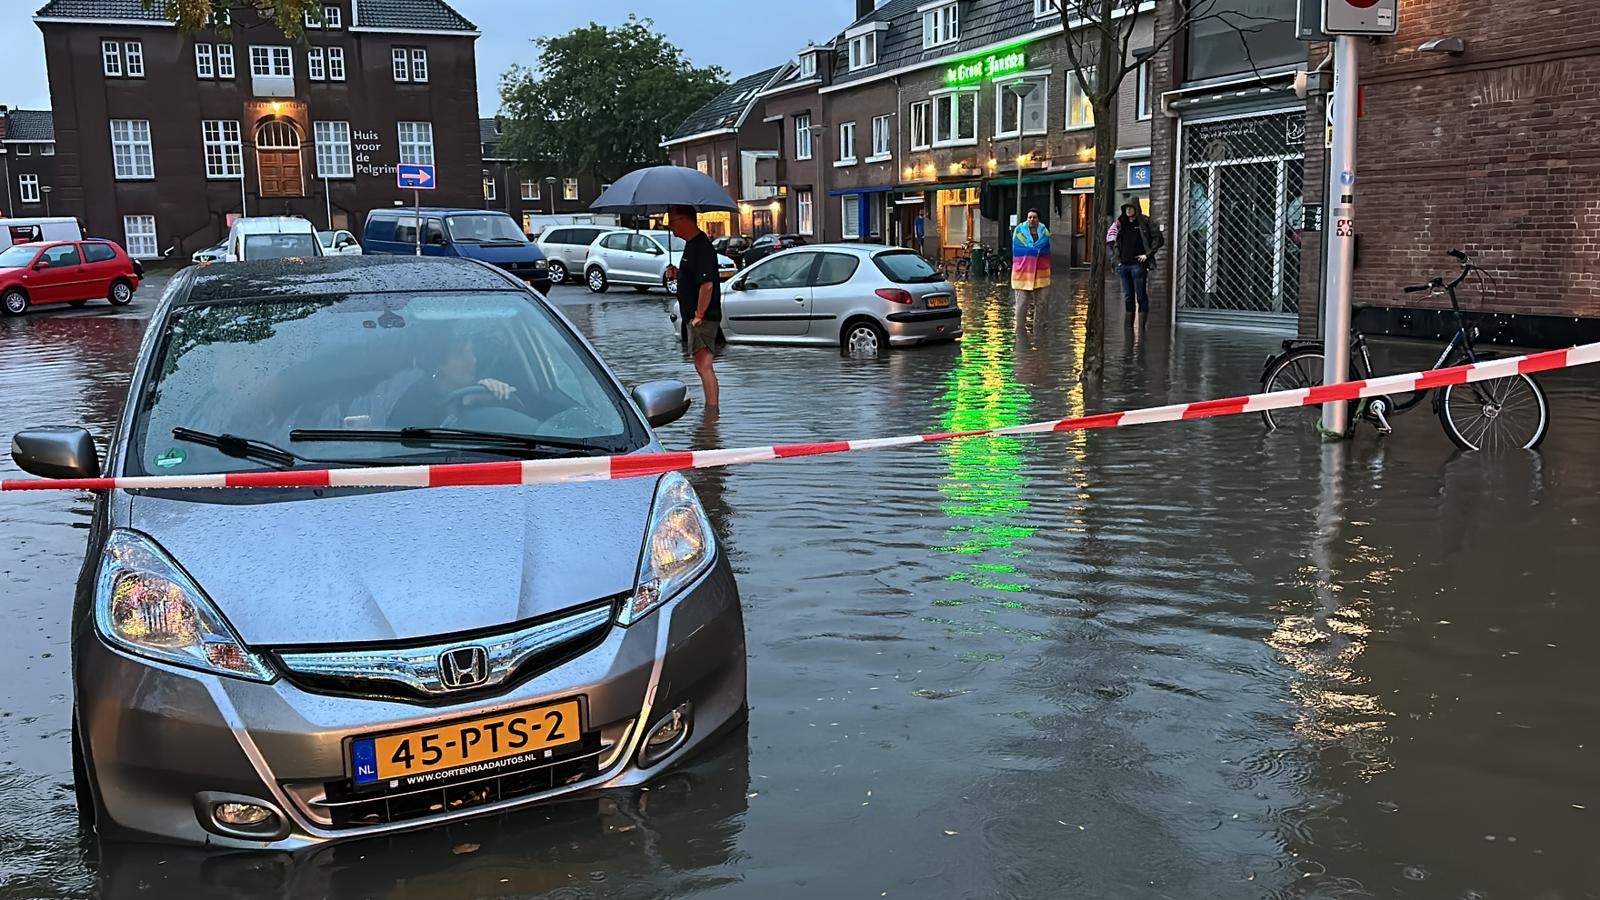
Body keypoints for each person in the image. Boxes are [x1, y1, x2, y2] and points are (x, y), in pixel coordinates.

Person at [389, 332, 517, 427]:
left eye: (472, 351)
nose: (472, 360)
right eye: (460, 353)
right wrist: (461, 406)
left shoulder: (480, 391)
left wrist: (497, 394)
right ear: (438, 363)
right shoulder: (412, 404)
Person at [663, 205, 721, 409]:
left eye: (671, 221)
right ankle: (711, 412)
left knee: (704, 365)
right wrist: (678, 274)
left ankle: (712, 413)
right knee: (700, 365)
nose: (670, 227)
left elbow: (707, 284)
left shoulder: (701, 247)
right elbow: (696, 278)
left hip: (702, 318)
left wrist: (699, 314)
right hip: (694, 316)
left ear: (683, 220)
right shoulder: (691, 246)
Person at [1113, 199, 1164, 317]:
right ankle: (1129, 328)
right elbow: (1117, 242)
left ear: (1136, 208)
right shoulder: (1122, 223)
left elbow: (1158, 239)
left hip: (1138, 265)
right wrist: (1118, 261)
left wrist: (1147, 255)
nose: (1128, 210)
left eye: (1131, 207)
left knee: (1140, 296)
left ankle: (1142, 328)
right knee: (1128, 297)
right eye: (1126, 208)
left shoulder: (1145, 222)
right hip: (1124, 265)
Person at [1010, 209, 1051, 302]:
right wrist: (1033, 251)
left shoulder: (1044, 232)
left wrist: (1033, 251)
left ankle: (1040, 318)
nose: (1032, 219)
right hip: (1023, 272)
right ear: (1027, 219)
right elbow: (1017, 249)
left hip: (1041, 272)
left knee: (1042, 303)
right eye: (1030, 217)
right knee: (1021, 303)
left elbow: (1046, 251)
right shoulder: (1019, 231)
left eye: (1034, 217)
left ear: (1038, 219)